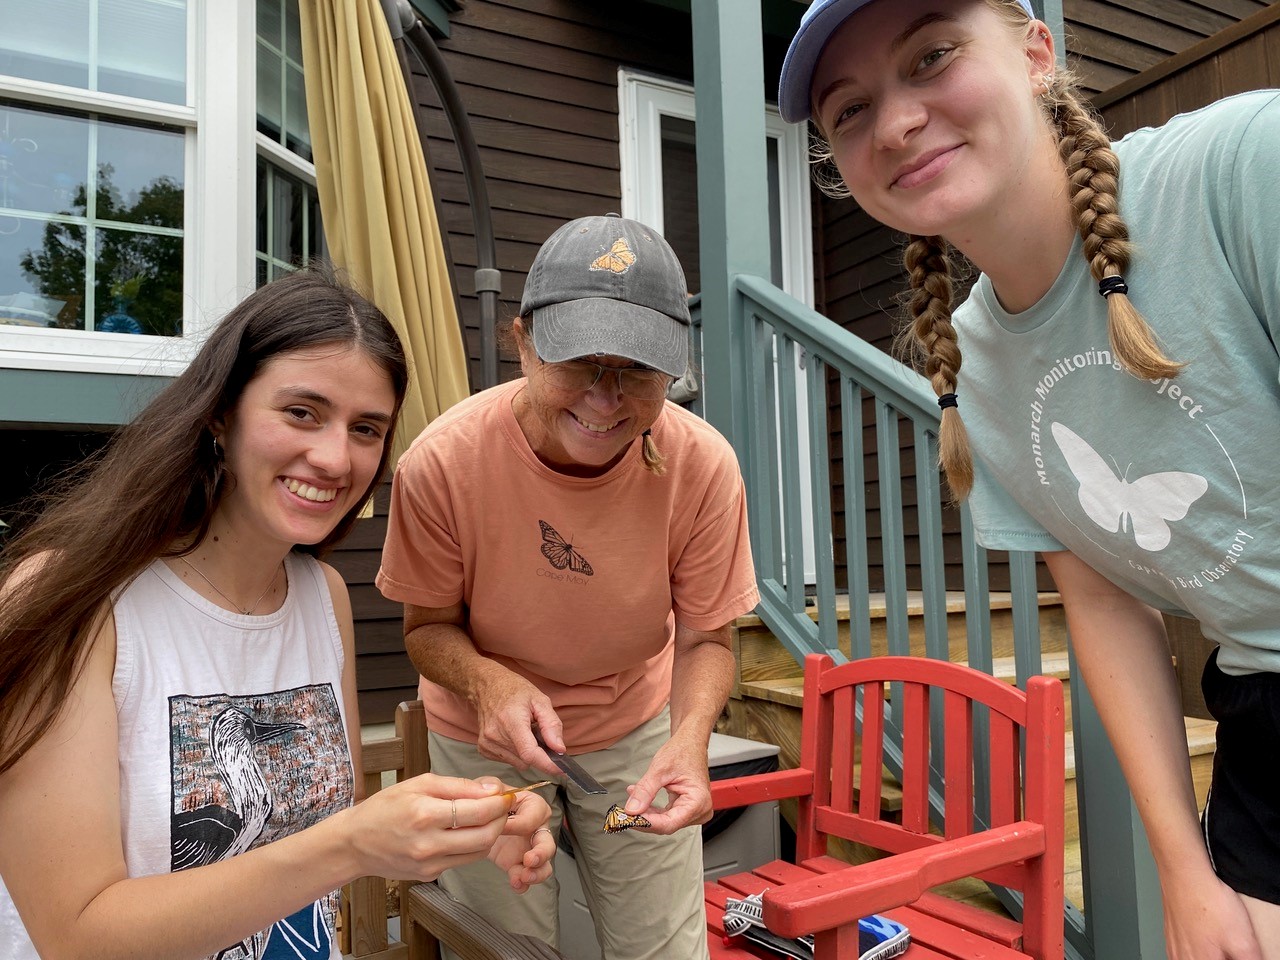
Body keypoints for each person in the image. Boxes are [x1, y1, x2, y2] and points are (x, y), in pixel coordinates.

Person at [777, 1, 1280, 958]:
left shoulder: (1241, 168)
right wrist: (1186, 874)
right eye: (849, 110)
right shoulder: (974, 373)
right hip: (1257, 705)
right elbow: (1100, 606)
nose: (894, 123)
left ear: (1037, 53)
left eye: (932, 56)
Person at [0, 264, 555, 960]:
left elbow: (324, 832)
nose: (333, 457)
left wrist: (476, 820)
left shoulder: (321, 597)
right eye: (302, 412)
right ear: (219, 413)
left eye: (366, 428)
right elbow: (76, 936)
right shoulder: (72, 603)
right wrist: (350, 842)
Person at [376, 213, 760, 960]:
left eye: (639, 371)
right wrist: (489, 684)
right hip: (485, 736)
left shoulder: (703, 464)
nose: (606, 399)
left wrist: (689, 742)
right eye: (582, 362)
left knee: (666, 951)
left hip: (636, 729)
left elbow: (709, 636)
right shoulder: (442, 464)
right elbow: (426, 631)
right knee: (502, 946)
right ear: (522, 343)